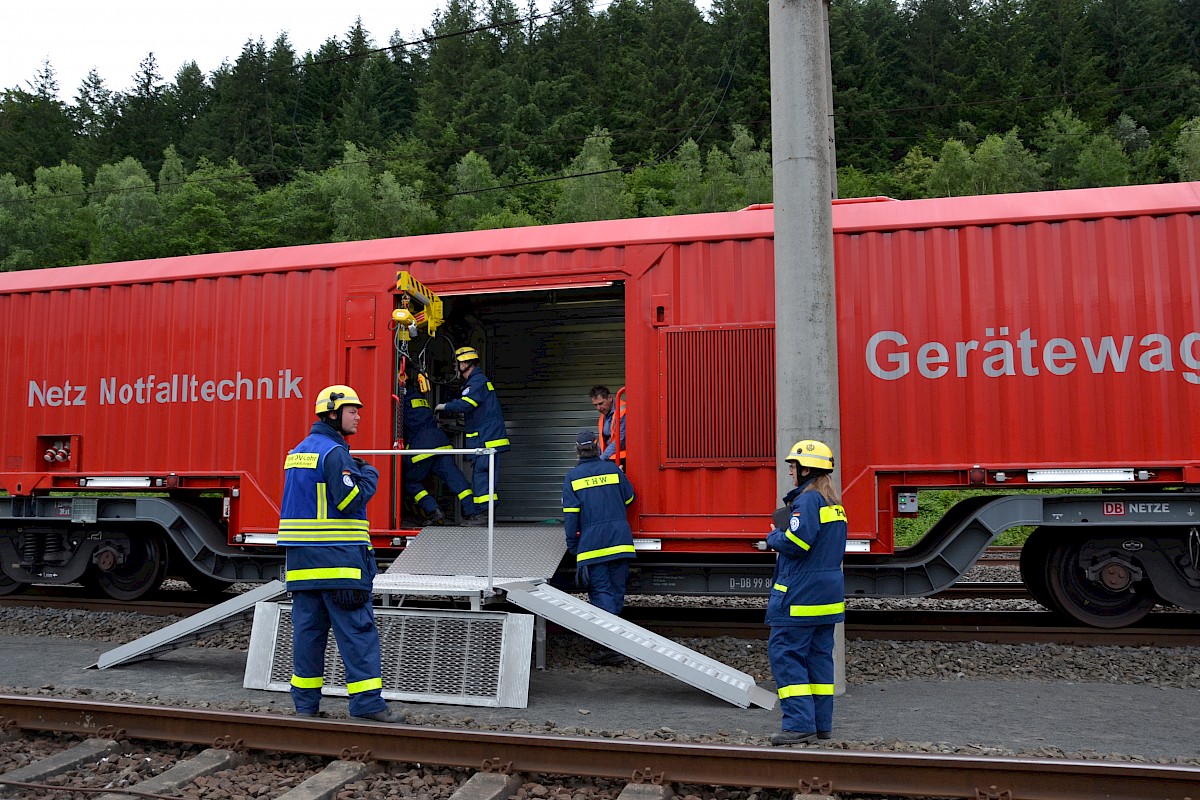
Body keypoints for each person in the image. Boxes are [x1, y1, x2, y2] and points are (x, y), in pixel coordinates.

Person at [277, 384, 405, 723]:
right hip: (340, 566)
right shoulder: (335, 453)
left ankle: (305, 707)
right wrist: (369, 475)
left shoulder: (298, 452)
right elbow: (349, 500)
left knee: (308, 637)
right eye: (352, 410)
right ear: (332, 414)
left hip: (303, 569)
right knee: (357, 634)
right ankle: (367, 705)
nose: (358, 416)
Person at [765, 439, 846, 746]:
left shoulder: (808, 502)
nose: (790, 473)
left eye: (793, 467)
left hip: (801, 597)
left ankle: (799, 725)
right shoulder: (833, 504)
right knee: (819, 660)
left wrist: (774, 536)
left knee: (786, 655)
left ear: (806, 469)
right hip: (826, 598)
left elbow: (797, 544)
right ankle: (821, 725)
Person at [562, 429, 636, 666]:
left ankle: (610, 647)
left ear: (576, 450)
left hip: (593, 546)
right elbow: (630, 498)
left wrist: (573, 545)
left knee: (601, 594)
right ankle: (614, 643)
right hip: (620, 541)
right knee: (615, 592)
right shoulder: (613, 470)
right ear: (598, 447)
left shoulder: (573, 477)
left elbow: (571, 515)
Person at [435, 346, 510, 525]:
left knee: (482, 477)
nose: (455, 367)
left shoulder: (476, 382)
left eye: (457, 363)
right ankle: (485, 515)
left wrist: (444, 406)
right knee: (483, 477)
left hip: (487, 439)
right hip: (487, 438)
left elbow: (467, 404)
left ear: (465, 363)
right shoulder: (478, 381)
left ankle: (483, 516)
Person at [398, 369, 475, 525]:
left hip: (422, 448)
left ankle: (433, 510)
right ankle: (472, 511)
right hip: (441, 443)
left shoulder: (401, 402)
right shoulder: (421, 398)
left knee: (409, 481)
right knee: (454, 477)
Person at [590, 386, 626, 467]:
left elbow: (621, 441)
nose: (599, 408)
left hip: (622, 460)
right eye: (595, 405)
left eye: (601, 403)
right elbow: (602, 439)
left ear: (609, 398)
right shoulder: (605, 414)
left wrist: (601, 458)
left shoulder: (623, 411)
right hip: (609, 458)